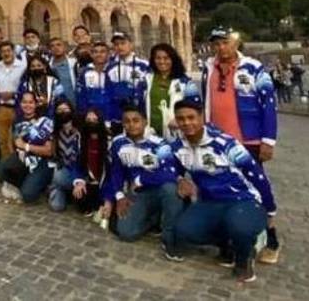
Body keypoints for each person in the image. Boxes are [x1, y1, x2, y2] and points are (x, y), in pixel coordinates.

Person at [166, 99, 276, 283]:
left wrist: (270, 211)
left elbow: (257, 176)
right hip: (210, 202)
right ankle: (227, 245)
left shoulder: (225, 144)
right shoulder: (178, 147)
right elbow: (169, 166)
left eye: (191, 117)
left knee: (240, 226)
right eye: (181, 119)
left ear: (202, 117)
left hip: (243, 200)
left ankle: (245, 258)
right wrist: (179, 179)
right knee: (184, 231)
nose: (186, 123)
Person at [199, 28, 281, 264]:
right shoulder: (208, 68)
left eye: (225, 42)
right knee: (219, 189)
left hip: (249, 140)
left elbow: (268, 105)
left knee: (256, 188)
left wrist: (268, 140)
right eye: (216, 44)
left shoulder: (254, 68)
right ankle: (227, 241)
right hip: (216, 140)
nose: (220, 48)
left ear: (236, 42)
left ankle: (271, 238)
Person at [100, 105, 183, 252]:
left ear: (145, 122)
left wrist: (141, 180)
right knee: (126, 233)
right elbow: (116, 172)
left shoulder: (160, 144)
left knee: (171, 189)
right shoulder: (118, 143)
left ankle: (170, 237)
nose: (131, 125)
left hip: (159, 190)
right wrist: (118, 197)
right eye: (127, 121)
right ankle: (153, 219)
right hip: (138, 195)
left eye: (136, 120)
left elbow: (170, 173)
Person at [0, 90, 55, 203]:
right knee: (2, 169)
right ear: (20, 103)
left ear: (35, 104)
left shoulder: (44, 121)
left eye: (30, 102)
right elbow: (13, 142)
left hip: (43, 162)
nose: (27, 105)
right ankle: (28, 180)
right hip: (25, 159)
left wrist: (26, 146)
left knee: (28, 195)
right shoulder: (17, 120)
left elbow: (49, 151)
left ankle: (46, 184)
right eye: (24, 102)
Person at [146, 43, 198, 140]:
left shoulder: (185, 82)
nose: (162, 62)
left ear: (173, 60)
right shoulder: (146, 79)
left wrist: (179, 120)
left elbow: (195, 107)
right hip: (150, 133)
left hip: (176, 133)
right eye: (158, 58)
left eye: (166, 58)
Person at [0, 40, 26, 166]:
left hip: (18, 107)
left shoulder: (22, 66)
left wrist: (13, 94)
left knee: (17, 139)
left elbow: (25, 87)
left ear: (13, 52)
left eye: (8, 51)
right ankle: (7, 167)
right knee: (3, 140)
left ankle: (19, 166)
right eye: (3, 51)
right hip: (1, 107)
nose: (6, 53)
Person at [46, 100, 81, 212]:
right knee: (57, 206)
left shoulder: (80, 131)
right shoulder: (56, 131)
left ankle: (60, 187)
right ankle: (58, 188)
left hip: (79, 171)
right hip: (63, 171)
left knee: (57, 177)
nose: (62, 113)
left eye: (65, 110)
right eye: (59, 110)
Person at [107, 31, 149, 116]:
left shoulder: (143, 65)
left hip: (138, 112)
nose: (119, 47)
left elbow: (147, 89)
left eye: (123, 43)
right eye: (116, 44)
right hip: (117, 113)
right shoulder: (109, 67)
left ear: (131, 44)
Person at [76, 41, 117, 128]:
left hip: (113, 118)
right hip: (92, 119)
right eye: (95, 52)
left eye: (102, 51)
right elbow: (81, 96)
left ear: (108, 54)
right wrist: (87, 112)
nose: (99, 54)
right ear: (91, 54)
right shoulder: (85, 72)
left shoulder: (115, 70)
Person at [17, 52, 64, 117]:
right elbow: (19, 101)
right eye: (33, 66)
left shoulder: (54, 82)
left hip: (52, 115)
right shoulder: (25, 84)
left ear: (44, 67)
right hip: (30, 116)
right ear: (29, 69)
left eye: (39, 65)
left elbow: (61, 98)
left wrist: (48, 102)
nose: (36, 68)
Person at [47, 36, 77, 108]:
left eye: (59, 45)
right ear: (50, 49)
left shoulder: (74, 63)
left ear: (65, 47)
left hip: (74, 104)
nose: (56, 48)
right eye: (52, 46)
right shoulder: (48, 66)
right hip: (56, 106)